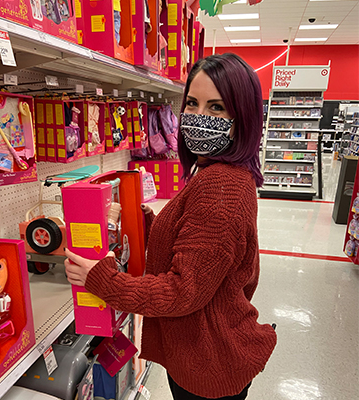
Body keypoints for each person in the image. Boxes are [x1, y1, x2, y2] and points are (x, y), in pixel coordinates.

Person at [64, 53, 277, 400]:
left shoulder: (220, 185)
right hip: (208, 351)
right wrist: (145, 221)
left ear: (243, 117)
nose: (198, 117)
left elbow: (183, 290)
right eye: (192, 103)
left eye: (217, 108)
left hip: (209, 365)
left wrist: (103, 281)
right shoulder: (217, 173)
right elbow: (203, 252)